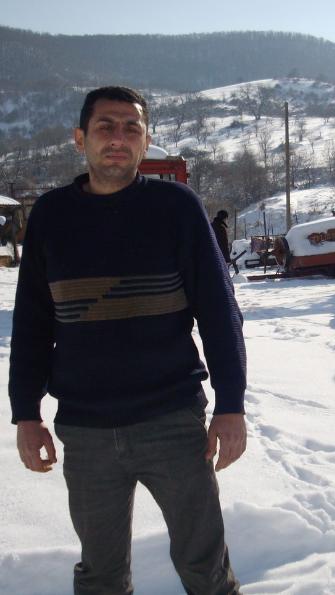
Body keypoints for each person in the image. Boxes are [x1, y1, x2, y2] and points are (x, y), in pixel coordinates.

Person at [9, 86, 247, 595]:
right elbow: (31, 324)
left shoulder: (176, 208)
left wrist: (231, 404)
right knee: (101, 576)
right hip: (87, 431)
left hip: (172, 421)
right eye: (105, 127)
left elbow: (219, 313)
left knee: (205, 569)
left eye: (130, 128)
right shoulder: (51, 215)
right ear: (80, 139)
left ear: (145, 139)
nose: (118, 138)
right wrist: (26, 413)